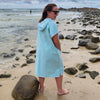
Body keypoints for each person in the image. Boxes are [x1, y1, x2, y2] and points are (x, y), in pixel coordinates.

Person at [35, 3, 69, 95]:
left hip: (41, 52)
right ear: (48, 12)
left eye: (58, 12)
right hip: (51, 51)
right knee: (59, 69)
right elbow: (56, 40)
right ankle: (60, 90)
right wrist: (59, 50)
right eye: (55, 12)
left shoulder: (41, 23)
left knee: (41, 69)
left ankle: (42, 87)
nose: (57, 14)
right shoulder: (52, 24)